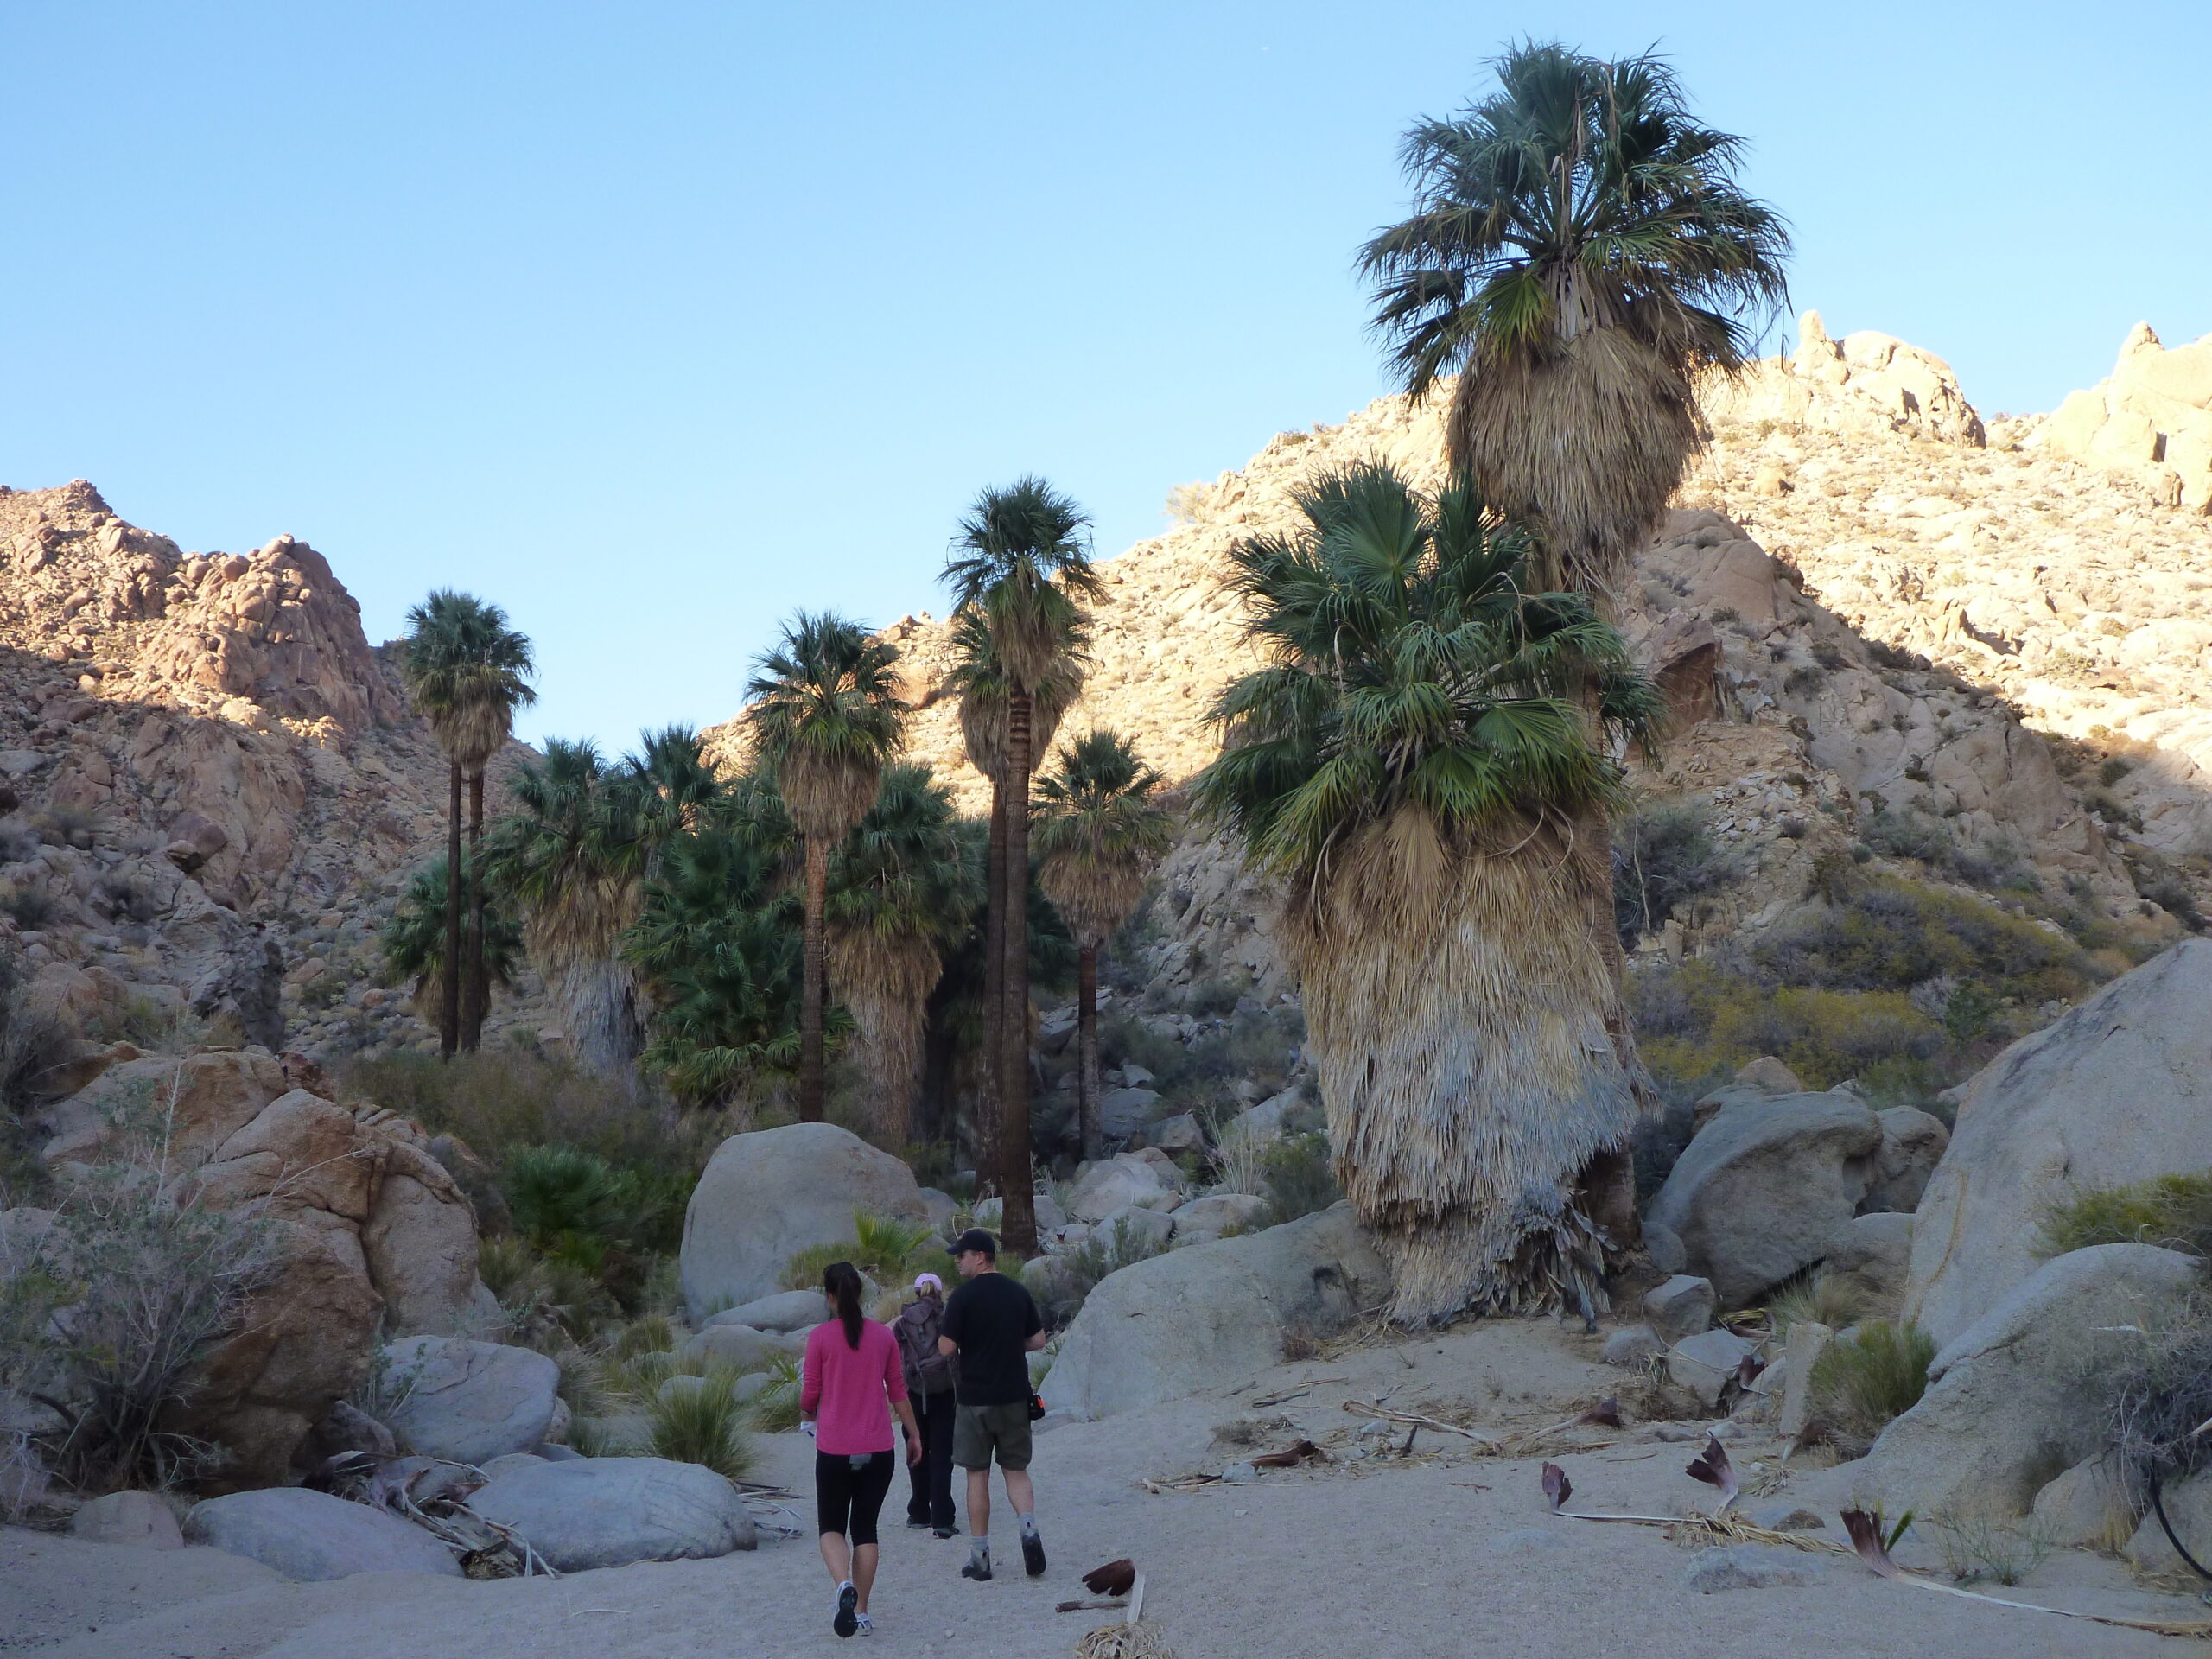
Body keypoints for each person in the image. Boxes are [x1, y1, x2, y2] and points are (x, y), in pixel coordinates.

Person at [801, 1260, 922, 1638]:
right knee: (866, 1530)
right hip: (878, 1448)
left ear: (830, 1297)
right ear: (860, 1293)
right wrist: (914, 1433)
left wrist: (807, 1414)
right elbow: (898, 1391)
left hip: (835, 1448)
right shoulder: (883, 1337)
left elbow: (810, 1393)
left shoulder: (820, 1337)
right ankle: (864, 1611)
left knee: (832, 1526)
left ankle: (843, 1585)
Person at [937, 1227, 1050, 1582]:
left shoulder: (963, 1298)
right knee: (1016, 1471)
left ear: (981, 1257)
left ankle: (980, 1556)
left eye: (962, 1255)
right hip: (1015, 1396)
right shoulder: (1017, 1292)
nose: (958, 1261)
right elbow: (1038, 1339)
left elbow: (945, 1349)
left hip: (975, 1400)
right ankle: (1028, 1530)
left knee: (977, 1476)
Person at [896, 1271, 959, 1536]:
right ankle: (943, 1519)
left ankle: (919, 1512)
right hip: (945, 1391)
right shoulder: (948, 1317)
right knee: (942, 1455)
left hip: (913, 1391)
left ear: (916, 1292)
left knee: (916, 1449)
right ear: (940, 1292)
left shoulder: (902, 1322)